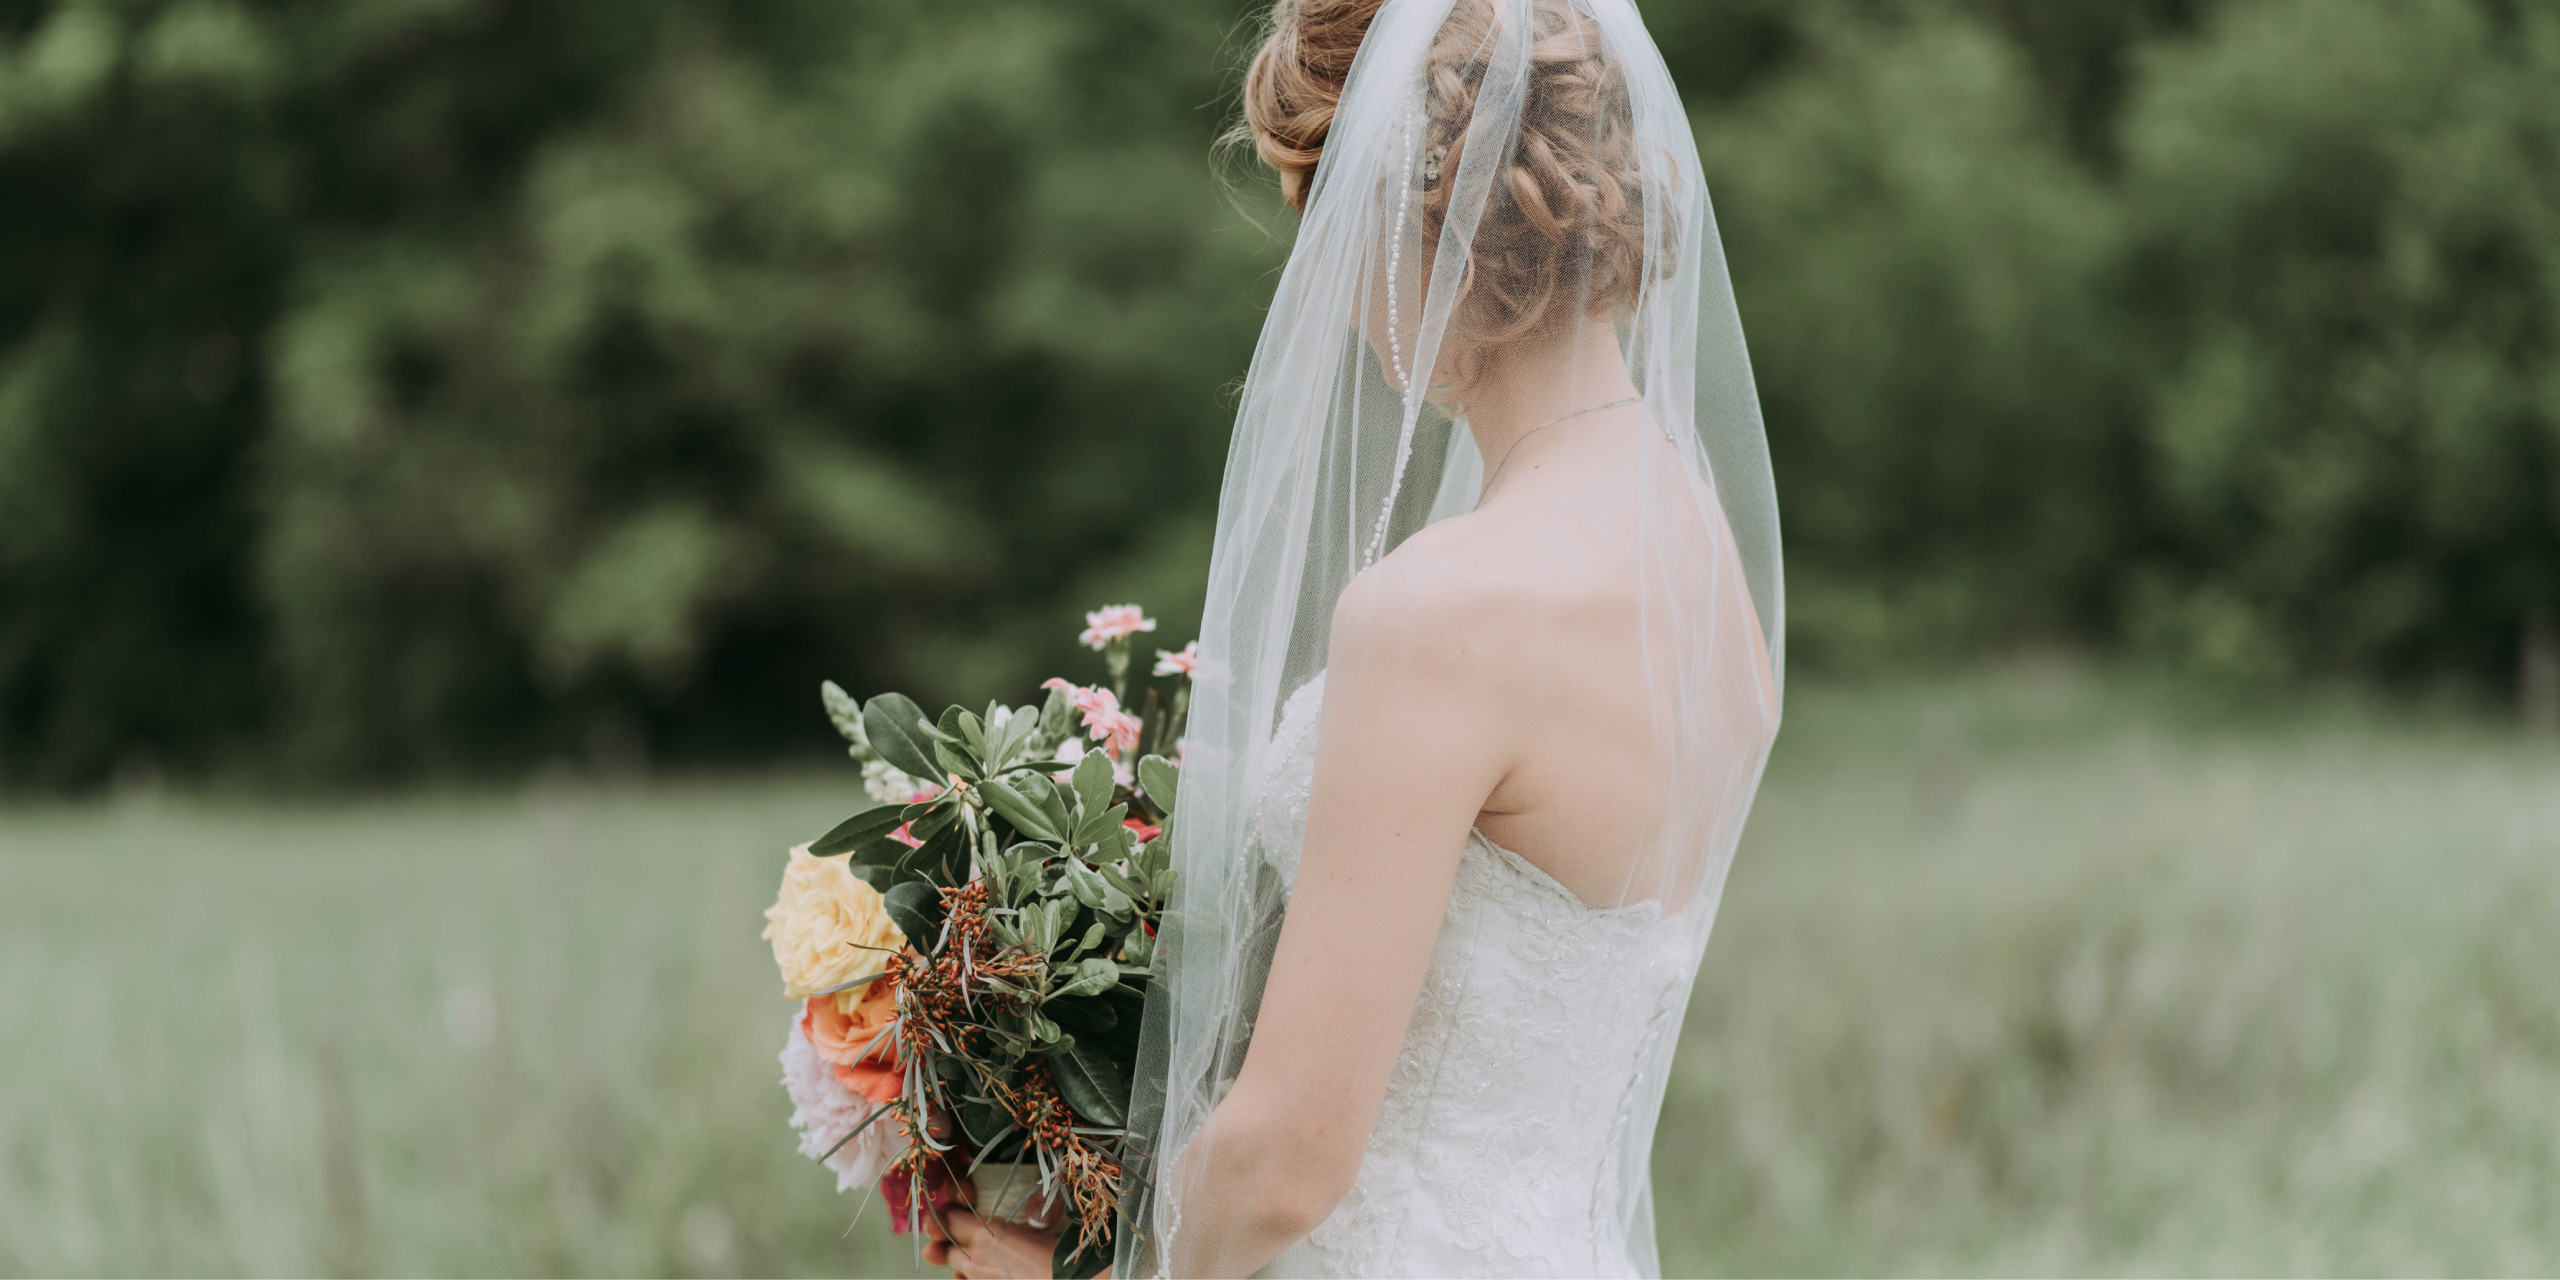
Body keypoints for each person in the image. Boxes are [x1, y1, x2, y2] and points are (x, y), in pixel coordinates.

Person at [934, 0, 1780, 1273]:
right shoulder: (1705, 571)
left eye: (1316, 224)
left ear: (1397, 224)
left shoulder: (1440, 614)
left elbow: (1288, 1158)